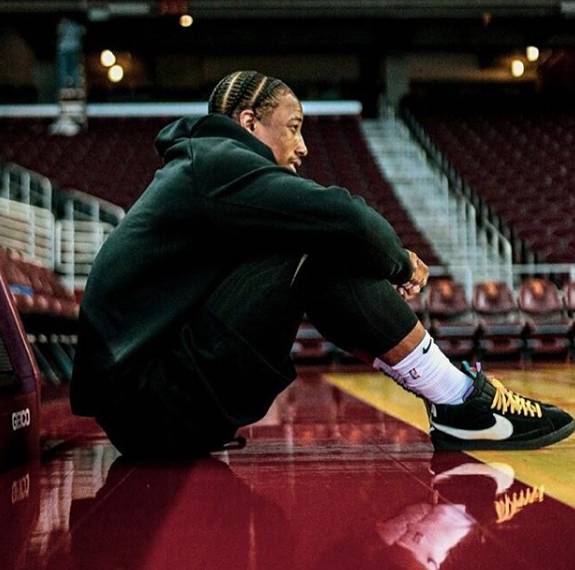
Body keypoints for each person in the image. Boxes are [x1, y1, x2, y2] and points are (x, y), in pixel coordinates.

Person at [70, 70, 574, 457]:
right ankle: (459, 400)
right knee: (319, 240)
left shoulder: (203, 171)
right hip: (154, 408)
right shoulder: (215, 160)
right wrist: (399, 264)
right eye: (293, 128)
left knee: (314, 238)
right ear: (249, 123)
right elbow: (348, 218)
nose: (303, 146)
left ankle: (454, 398)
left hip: (151, 408)